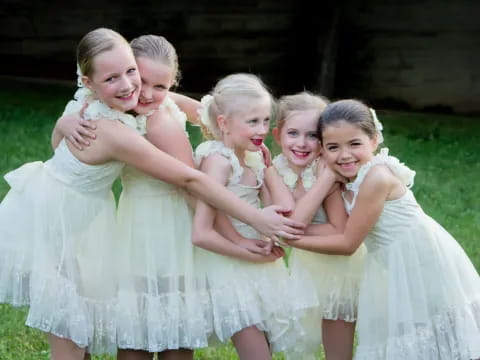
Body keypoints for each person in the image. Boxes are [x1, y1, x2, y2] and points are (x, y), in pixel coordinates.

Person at [0, 28, 303, 360]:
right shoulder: (116, 125)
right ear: (91, 82)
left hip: (90, 213)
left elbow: (211, 113)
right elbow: (190, 181)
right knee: (71, 326)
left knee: (85, 320)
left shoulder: (137, 101)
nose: (136, 89)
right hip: (60, 218)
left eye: (138, 76)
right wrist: (254, 220)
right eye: (129, 78)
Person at [284, 99, 480, 359]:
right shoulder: (350, 175)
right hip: (393, 262)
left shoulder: (376, 177)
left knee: (443, 334)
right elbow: (334, 226)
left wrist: (291, 239)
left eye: (355, 144)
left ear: (374, 140)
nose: (344, 155)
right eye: (333, 147)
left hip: (422, 263)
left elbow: (347, 243)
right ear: (322, 149)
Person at [192, 74, 318, 360]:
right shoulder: (218, 163)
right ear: (224, 123)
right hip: (229, 268)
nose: (262, 129)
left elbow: (285, 207)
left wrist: (268, 166)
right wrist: (243, 251)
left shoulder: (251, 158)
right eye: (252, 122)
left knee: (267, 349)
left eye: (265, 120)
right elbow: (201, 232)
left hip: (258, 263)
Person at [271, 92, 366, 360]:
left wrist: (324, 179)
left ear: (324, 140)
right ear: (277, 135)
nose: (302, 143)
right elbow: (292, 223)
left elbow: (338, 228)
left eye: (313, 135)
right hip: (307, 266)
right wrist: (324, 183)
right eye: (293, 133)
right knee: (303, 338)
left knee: (339, 344)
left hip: (342, 268)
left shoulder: (326, 168)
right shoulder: (272, 170)